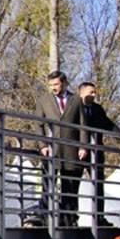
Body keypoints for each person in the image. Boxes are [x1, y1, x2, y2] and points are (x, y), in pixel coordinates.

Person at [36, 70, 83, 227]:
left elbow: (82, 125)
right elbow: (38, 124)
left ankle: (69, 219)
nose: (53, 88)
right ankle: (44, 217)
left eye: (56, 84)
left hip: (71, 149)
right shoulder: (44, 100)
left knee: (70, 186)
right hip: (51, 148)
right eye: (51, 85)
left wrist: (83, 146)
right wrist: (42, 145)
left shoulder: (76, 100)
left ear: (64, 83)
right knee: (48, 184)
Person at [76, 81, 120, 226]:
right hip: (77, 151)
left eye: (95, 92)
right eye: (91, 92)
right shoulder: (74, 106)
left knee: (98, 185)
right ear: (81, 92)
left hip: (96, 151)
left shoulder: (97, 109)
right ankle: (70, 218)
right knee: (72, 184)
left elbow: (108, 124)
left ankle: (99, 217)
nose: (94, 95)